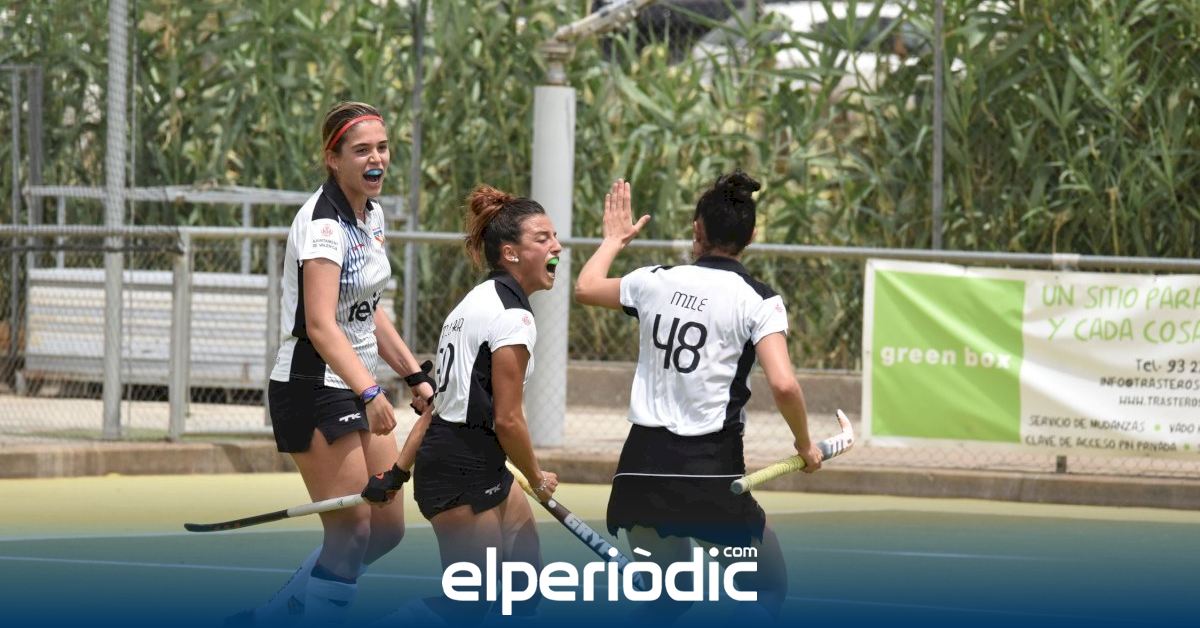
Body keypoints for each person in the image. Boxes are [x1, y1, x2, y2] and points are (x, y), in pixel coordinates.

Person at [575, 173, 823, 623]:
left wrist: (613, 240)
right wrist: (805, 444)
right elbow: (785, 385)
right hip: (709, 474)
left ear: (696, 230)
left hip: (639, 470)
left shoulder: (654, 280)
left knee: (667, 600)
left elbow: (586, 287)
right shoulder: (760, 300)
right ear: (751, 236)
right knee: (767, 587)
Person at [234, 101, 435, 626]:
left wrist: (414, 376)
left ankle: (277, 613)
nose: (377, 159)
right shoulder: (323, 224)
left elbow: (368, 309)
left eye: (383, 147)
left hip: (355, 380)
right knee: (351, 532)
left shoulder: (372, 214)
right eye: (362, 150)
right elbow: (321, 324)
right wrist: (370, 391)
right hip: (314, 385)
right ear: (333, 158)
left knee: (386, 529)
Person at [376, 184, 561, 626]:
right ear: (511, 253)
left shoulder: (474, 302)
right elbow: (508, 419)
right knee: (471, 604)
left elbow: (440, 405)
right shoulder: (512, 317)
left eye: (554, 237)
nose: (556, 246)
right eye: (543, 239)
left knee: (524, 588)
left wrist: (398, 472)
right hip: (458, 470)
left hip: (479, 461)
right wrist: (536, 477)